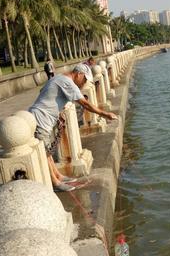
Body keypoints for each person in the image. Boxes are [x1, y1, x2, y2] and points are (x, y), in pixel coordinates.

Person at [29, 64, 117, 192]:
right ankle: (56, 183)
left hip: (40, 118)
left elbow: (42, 91)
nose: (84, 83)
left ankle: (58, 176)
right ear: (78, 74)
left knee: (47, 152)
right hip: (41, 120)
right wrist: (105, 114)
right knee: (45, 152)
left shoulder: (58, 78)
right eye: (85, 79)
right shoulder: (67, 82)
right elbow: (85, 104)